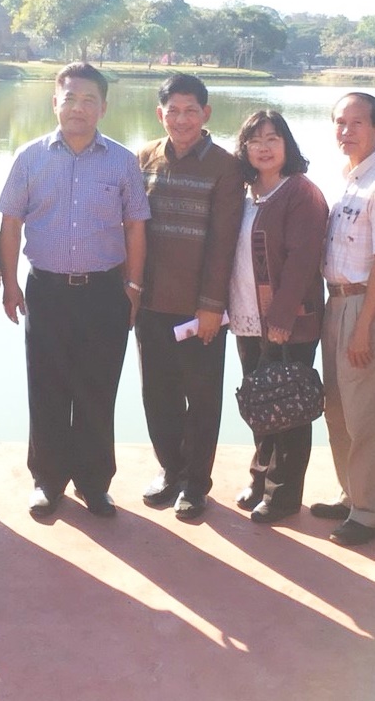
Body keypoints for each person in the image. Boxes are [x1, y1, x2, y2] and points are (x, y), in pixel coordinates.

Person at [0, 62, 149, 520]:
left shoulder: (122, 160)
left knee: (97, 389)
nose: (78, 108)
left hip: (104, 291)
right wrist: (9, 283)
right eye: (70, 99)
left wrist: (134, 286)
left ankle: (94, 483)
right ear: (54, 102)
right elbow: (10, 224)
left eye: (89, 100)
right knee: (46, 387)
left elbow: (136, 228)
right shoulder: (30, 157)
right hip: (46, 290)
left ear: (103, 106)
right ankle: (47, 481)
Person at [135, 74, 244, 521]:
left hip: (200, 309)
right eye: (173, 111)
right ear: (160, 114)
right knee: (156, 394)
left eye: (191, 111)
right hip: (150, 303)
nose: (181, 120)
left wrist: (211, 307)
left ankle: (196, 483)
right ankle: (170, 471)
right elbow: (132, 229)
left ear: (206, 114)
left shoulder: (224, 166)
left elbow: (224, 243)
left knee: (200, 396)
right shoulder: (144, 158)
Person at [311, 92, 375, 546]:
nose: (346, 131)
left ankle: (370, 512)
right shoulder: (349, 180)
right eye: (339, 123)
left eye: (356, 123)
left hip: (364, 304)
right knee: (337, 408)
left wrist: (366, 327)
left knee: (365, 411)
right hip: (336, 302)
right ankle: (351, 495)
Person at [229, 111, 329, 524]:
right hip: (247, 316)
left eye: (273, 138)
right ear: (245, 148)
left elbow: (303, 263)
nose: (264, 147)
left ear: (287, 145)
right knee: (261, 400)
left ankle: (283, 494)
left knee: (288, 406)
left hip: (288, 320)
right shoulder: (246, 192)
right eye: (255, 140)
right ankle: (259, 479)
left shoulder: (300, 193)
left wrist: (282, 315)